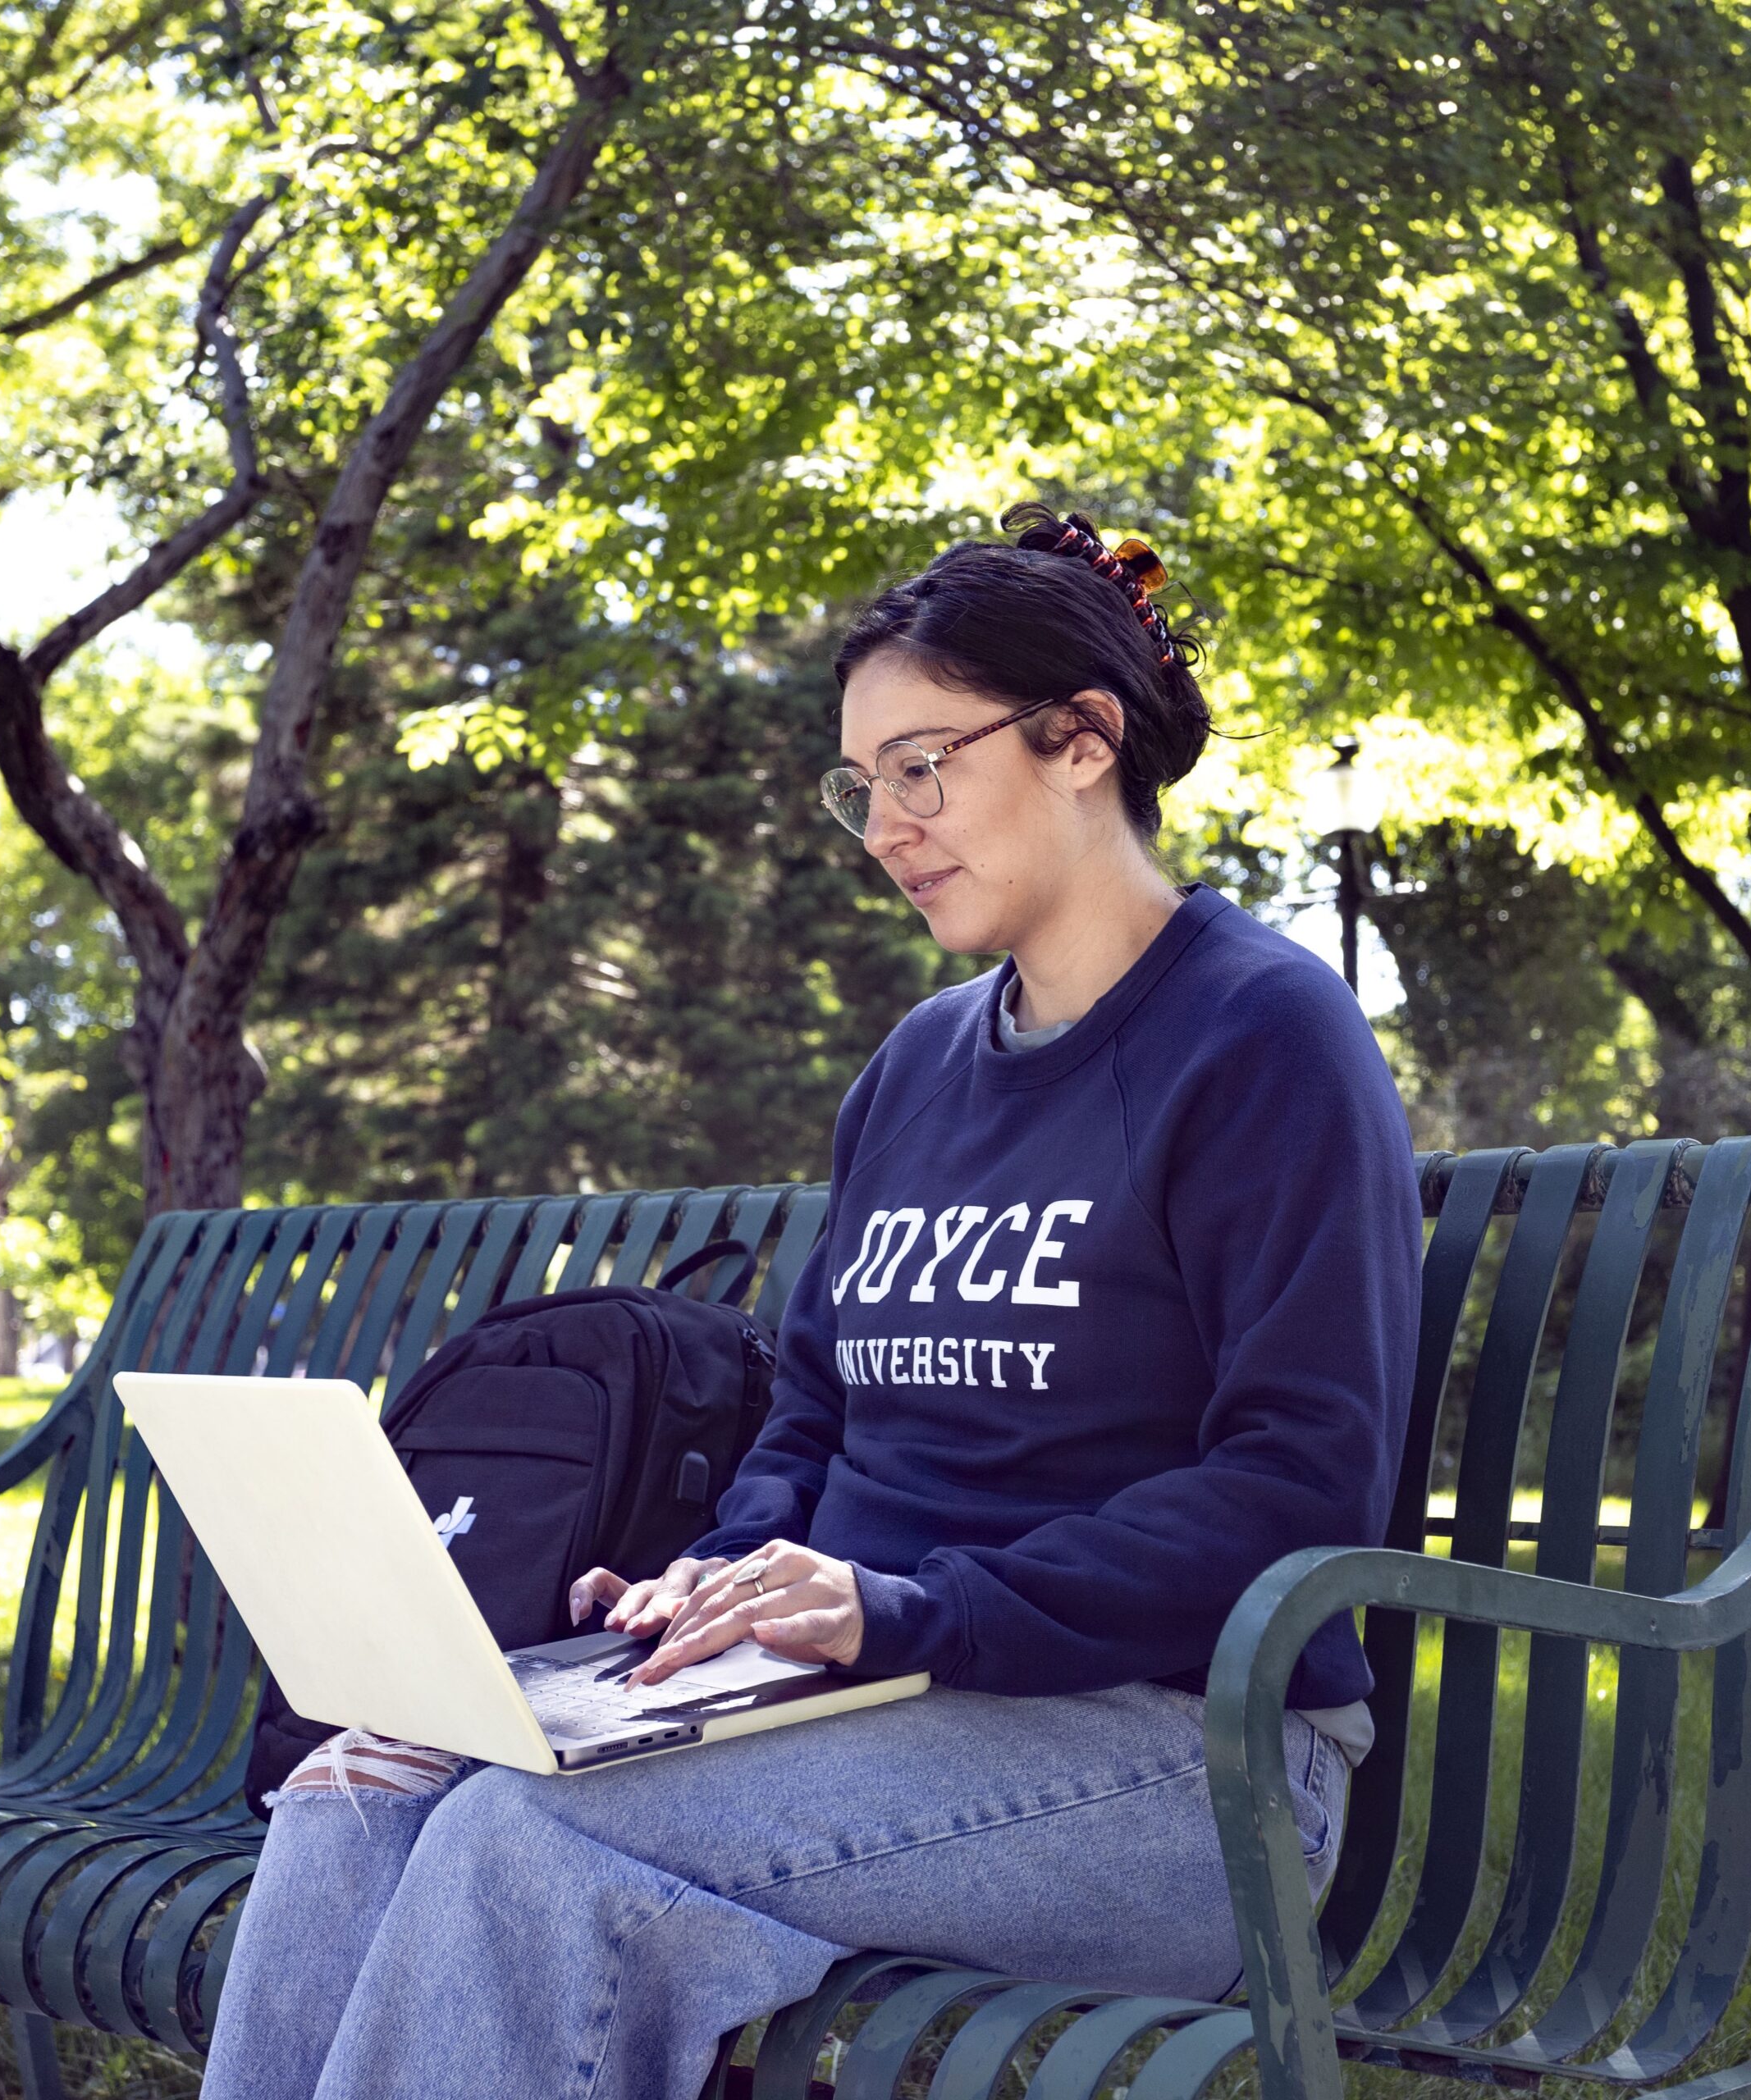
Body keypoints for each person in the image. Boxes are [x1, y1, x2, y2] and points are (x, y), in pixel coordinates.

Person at [200, 503, 1423, 2100]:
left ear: (1079, 740)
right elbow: (812, 1412)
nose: (885, 825)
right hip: (867, 1692)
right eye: (862, 785)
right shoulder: (917, 1064)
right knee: (364, 1786)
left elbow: (1291, 1487)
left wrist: (915, 1610)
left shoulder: (1261, 1037)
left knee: (530, 1838)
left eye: (923, 765)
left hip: (1175, 1757)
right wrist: (713, 1586)